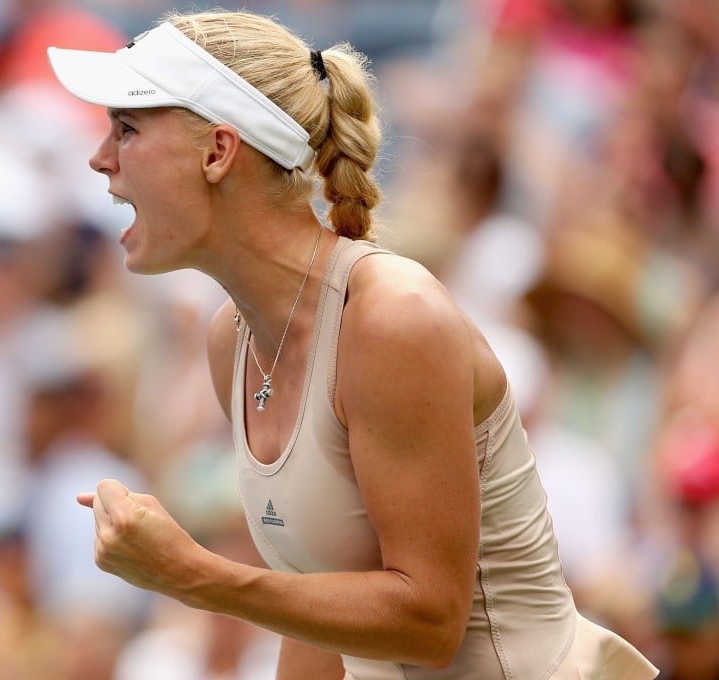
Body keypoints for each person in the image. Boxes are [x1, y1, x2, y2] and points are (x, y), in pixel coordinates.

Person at [46, 10, 660, 679]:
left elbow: (430, 622)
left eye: (127, 129)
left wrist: (193, 575)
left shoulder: (393, 320)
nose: (99, 157)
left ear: (218, 152)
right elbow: (312, 607)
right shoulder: (233, 340)